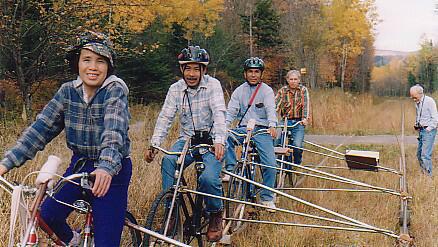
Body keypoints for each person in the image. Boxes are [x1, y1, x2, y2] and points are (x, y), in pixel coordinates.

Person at [0, 31, 132, 246]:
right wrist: (6, 164)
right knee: (46, 216)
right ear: (77, 63)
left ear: (108, 66)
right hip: (80, 165)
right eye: (86, 60)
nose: (93, 67)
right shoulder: (67, 92)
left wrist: (106, 167)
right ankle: (75, 240)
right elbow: (40, 130)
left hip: (112, 170)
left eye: (100, 61)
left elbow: (114, 132)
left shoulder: (114, 90)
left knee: (106, 240)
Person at [144, 45, 226, 242]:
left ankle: (215, 213)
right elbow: (165, 117)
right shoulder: (175, 89)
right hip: (187, 140)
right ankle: (171, 210)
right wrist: (154, 144)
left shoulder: (213, 85)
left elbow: (219, 113)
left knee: (208, 178)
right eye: (187, 68)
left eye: (196, 69)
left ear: (203, 70)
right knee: (168, 162)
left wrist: (220, 141)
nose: (191, 73)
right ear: (181, 70)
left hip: (211, 140)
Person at [223, 57, 278, 210]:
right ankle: (231, 170)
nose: (253, 75)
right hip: (243, 128)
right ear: (245, 74)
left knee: (270, 165)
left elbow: (270, 110)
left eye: (256, 72)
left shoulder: (266, 91)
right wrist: (224, 126)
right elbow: (231, 112)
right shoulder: (239, 91)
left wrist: (272, 125)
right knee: (225, 137)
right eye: (250, 72)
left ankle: (267, 197)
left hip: (262, 130)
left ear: (261, 74)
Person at [275, 69, 310, 166]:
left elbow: (306, 105)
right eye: (291, 79)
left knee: (297, 146)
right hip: (285, 120)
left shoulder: (303, 90)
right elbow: (275, 105)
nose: (293, 81)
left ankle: (297, 162)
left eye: (295, 79)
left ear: (299, 80)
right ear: (287, 80)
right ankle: (277, 163)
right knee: (276, 140)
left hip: (298, 122)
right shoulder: (282, 91)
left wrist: (305, 118)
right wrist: (271, 119)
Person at [410, 84, 438, 176]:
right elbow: (420, 115)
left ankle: (428, 177)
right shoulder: (417, 102)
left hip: (428, 131)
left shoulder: (429, 101)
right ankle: (424, 173)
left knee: (425, 155)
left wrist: (428, 129)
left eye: (414, 97)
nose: (413, 99)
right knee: (419, 155)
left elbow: (435, 119)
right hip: (421, 130)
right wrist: (417, 125)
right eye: (412, 97)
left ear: (420, 93)